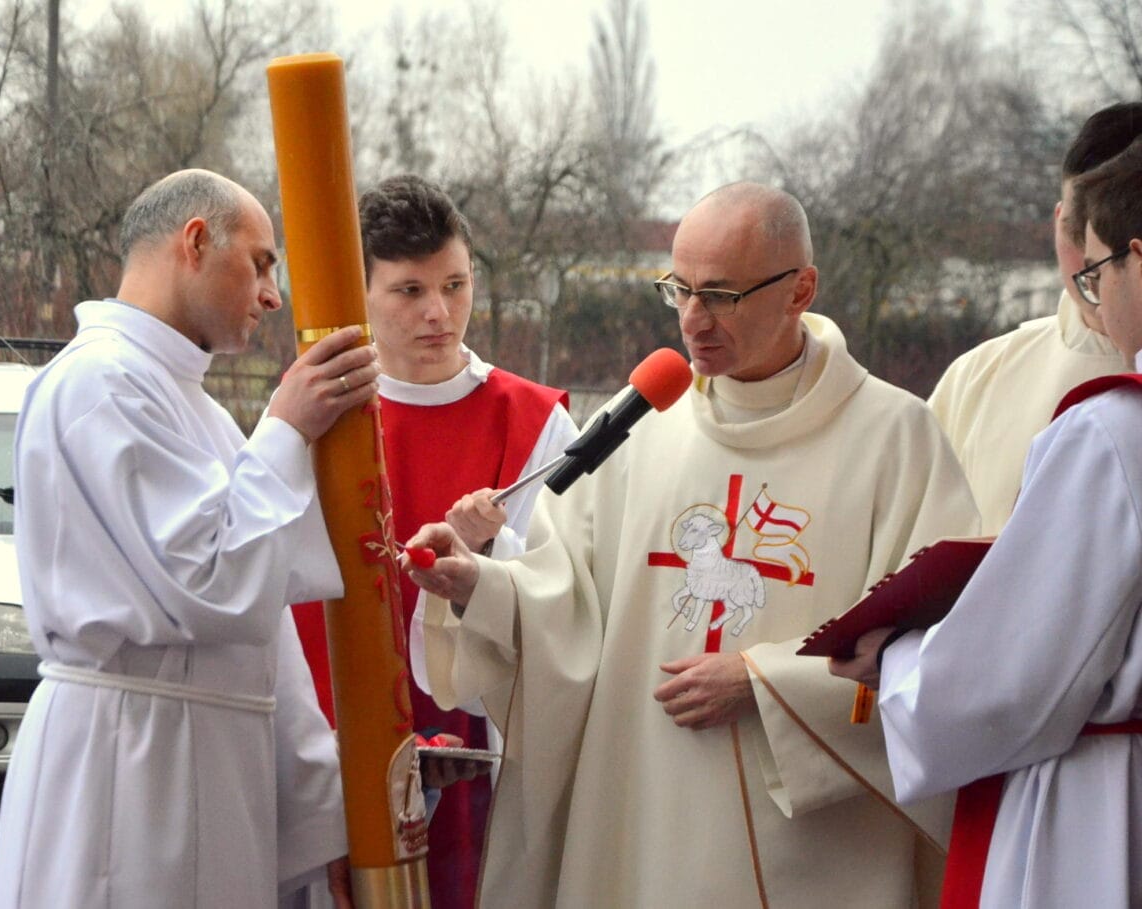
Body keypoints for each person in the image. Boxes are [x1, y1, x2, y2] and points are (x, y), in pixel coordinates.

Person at [403, 182, 980, 908]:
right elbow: (565, 600)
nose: (692, 320)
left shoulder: (896, 440)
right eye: (678, 289)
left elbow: (942, 649)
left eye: (721, 296)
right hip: (643, 817)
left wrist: (768, 683)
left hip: (815, 849)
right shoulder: (639, 424)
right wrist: (479, 585)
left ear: (800, 289)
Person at [0, 169, 380, 908]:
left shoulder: (194, 407)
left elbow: (266, 638)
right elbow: (211, 583)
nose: (272, 295)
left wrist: (321, 814)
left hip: (208, 759)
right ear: (195, 242)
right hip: (126, 766)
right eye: (260, 264)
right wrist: (286, 428)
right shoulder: (99, 383)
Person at [830, 137, 1142, 907]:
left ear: (1137, 259)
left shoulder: (1113, 432)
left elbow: (1009, 682)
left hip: (1099, 806)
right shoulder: (992, 374)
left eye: (1098, 273)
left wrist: (895, 657)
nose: (1092, 295)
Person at [291, 174, 577, 909]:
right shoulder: (314, 419)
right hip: (338, 739)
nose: (439, 312)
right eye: (409, 291)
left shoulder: (536, 424)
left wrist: (491, 561)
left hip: (484, 744)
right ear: (361, 295)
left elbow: (577, 595)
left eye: (455, 284)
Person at [928, 102, 1142, 534]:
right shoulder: (978, 378)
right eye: (1075, 230)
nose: (1089, 261)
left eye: (1107, 237)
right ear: (1057, 221)